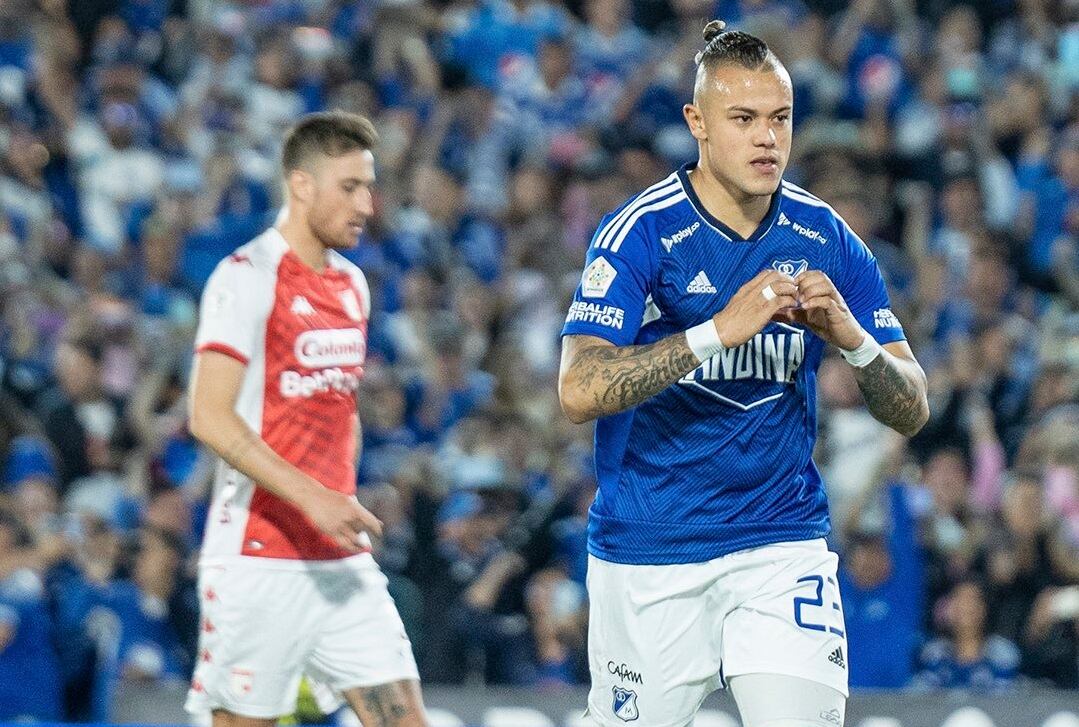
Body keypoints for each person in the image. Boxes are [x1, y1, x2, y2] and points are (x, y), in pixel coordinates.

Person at [557, 20, 930, 727]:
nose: (767, 138)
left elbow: (912, 406)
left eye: (780, 118)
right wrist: (714, 333)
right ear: (697, 123)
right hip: (651, 548)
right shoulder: (642, 231)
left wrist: (852, 340)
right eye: (744, 119)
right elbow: (578, 389)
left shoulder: (826, 237)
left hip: (779, 543)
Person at [184, 111, 429, 727]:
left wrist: (342, 495)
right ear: (300, 184)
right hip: (256, 557)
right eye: (350, 187)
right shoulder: (245, 277)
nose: (367, 204)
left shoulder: (352, 285)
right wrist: (313, 497)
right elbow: (208, 416)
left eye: (369, 187)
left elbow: (339, 406)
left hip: (339, 561)